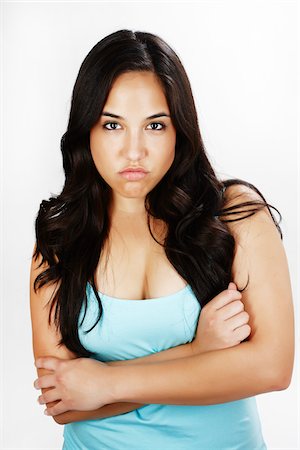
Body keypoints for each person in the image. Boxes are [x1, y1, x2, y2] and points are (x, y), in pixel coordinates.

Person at [30, 29, 294, 450]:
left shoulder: (234, 215)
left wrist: (105, 382)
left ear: (179, 130)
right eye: (112, 124)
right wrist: (197, 353)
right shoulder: (61, 238)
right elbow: (65, 401)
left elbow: (272, 367)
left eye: (155, 125)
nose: (134, 151)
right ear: (87, 131)